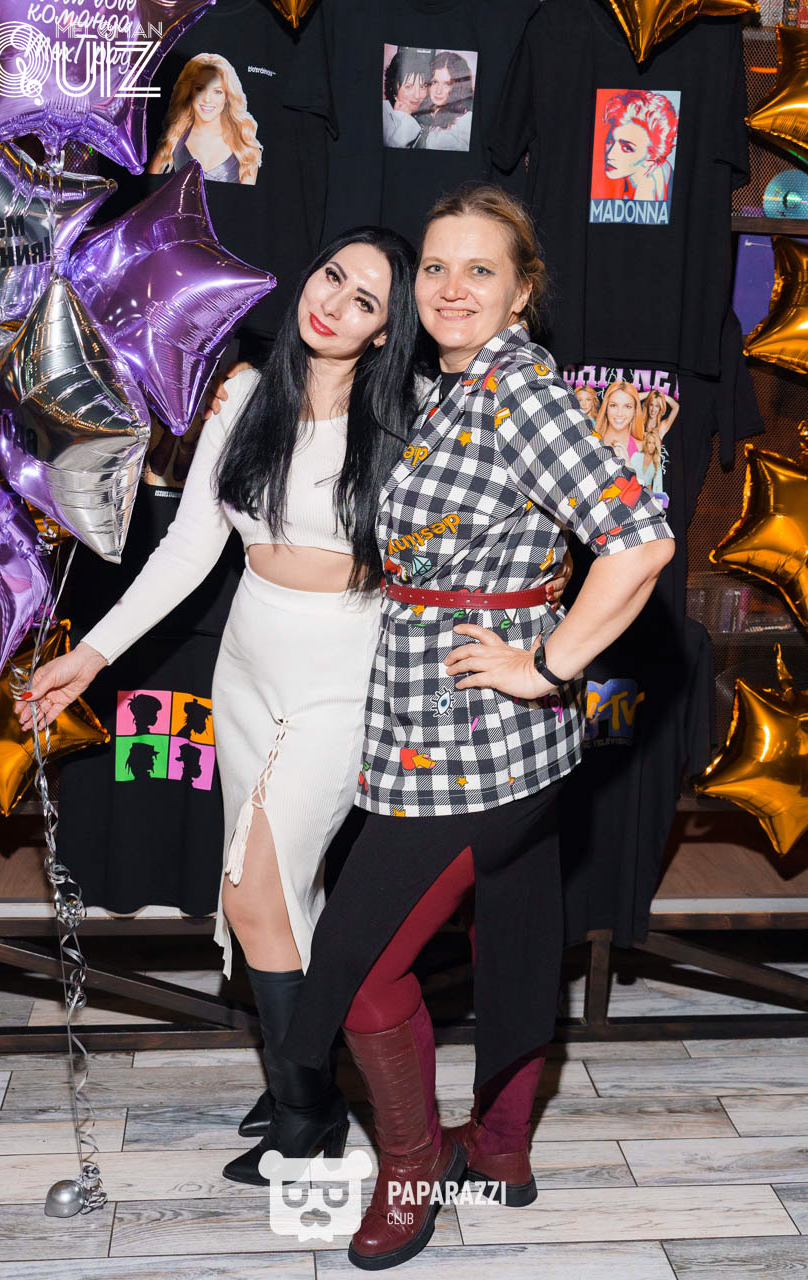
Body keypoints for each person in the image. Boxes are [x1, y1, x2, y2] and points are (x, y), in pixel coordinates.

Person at [281, 184, 674, 1271]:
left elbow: (639, 541)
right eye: (437, 267)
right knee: (512, 940)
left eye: (480, 269)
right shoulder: (457, 387)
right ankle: (499, 1146)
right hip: (441, 726)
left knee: (360, 969)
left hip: (479, 742)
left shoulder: (517, 395)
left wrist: (546, 664)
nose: (451, 288)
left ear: (521, 290)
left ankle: (410, 1169)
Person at [14, 225, 425, 1185]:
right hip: (246, 663)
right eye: (332, 276)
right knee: (283, 895)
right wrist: (92, 654)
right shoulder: (244, 396)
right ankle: (299, 1070)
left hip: (344, 670)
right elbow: (191, 548)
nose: (335, 303)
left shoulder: (408, 411)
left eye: (365, 300)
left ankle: (309, 1113)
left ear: (384, 329)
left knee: (252, 887)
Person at [148, 52, 262, 184]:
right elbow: (150, 188)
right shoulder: (173, 137)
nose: (207, 99)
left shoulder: (244, 146)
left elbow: (247, 196)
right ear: (189, 92)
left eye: (217, 91)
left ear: (227, 97)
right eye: (200, 89)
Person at [602, 89, 679, 203]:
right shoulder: (660, 171)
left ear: (651, 158)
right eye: (610, 141)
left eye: (627, 148)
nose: (610, 154)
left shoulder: (647, 195)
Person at [416, 50, 474, 152]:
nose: (438, 91)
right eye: (435, 82)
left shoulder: (465, 120)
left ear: (458, 87)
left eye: (447, 84)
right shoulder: (424, 113)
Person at [382, 48, 430, 149]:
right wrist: (404, 119)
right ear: (394, 86)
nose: (417, 95)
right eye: (408, 87)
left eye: (422, 86)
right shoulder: (383, 113)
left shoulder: (427, 115)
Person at [594, 379, 645, 465]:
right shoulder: (589, 443)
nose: (620, 413)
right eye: (613, 405)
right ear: (606, 408)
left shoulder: (643, 448)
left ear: (635, 411)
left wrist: (628, 466)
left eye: (627, 406)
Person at [631, 426, 666, 499]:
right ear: (646, 443)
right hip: (632, 492)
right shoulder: (636, 456)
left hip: (646, 496)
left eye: (654, 443)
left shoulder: (657, 464)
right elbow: (628, 475)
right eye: (650, 442)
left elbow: (658, 486)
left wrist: (657, 501)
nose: (652, 446)